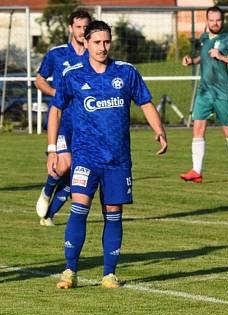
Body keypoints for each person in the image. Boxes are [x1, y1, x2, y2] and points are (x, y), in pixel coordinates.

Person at [47, 20, 168, 289]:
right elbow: (55, 110)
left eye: (106, 42)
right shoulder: (73, 75)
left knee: (113, 213)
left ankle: (109, 274)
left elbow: (145, 102)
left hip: (118, 159)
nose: (103, 47)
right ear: (86, 43)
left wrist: (159, 129)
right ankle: (70, 271)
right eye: (97, 42)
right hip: (85, 158)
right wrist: (53, 148)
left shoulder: (126, 72)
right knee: (79, 208)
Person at [35, 10, 91, 226]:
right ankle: (48, 189)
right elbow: (39, 80)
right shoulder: (57, 54)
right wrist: (54, 93)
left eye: (86, 27)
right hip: (62, 120)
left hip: (86, 121)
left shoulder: (93, 54)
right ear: (70, 28)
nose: (82, 31)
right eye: (78, 27)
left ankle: (49, 215)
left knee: (80, 172)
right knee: (64, 165)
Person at [179, 6, 228, 184]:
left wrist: (222, 57)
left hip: (223, 93)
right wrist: (192, 60)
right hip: (204, 91)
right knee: (198, 128)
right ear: (207, 21)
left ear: (222, 21)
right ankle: (196, 171)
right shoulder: (204, 38)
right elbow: (204, 56)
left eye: (218, 20)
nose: (215, 23)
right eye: (212, 20)